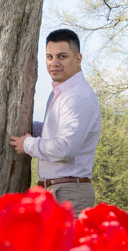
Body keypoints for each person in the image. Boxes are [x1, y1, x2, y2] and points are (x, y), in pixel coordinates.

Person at [10, 28, 101, 212]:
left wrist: (27, 144)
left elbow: (64, 147)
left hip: (69, 194)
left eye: (62, 56)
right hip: (57, 192)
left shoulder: (77, 97)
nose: (54, 63)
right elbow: (58, 130)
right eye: (49, 57)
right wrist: (30, 128)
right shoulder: (63, 92)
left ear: (78, 59)